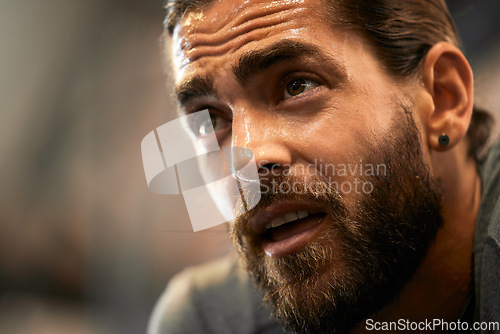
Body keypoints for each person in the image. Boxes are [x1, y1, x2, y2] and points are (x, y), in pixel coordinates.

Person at [148, 0, 499, 333]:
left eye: (296, 86)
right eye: (209, 121)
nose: (248, 162)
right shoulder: (209, 322)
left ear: (443, 98)